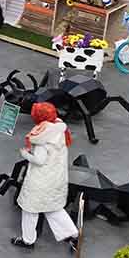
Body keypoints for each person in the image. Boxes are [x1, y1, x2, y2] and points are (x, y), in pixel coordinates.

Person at [10, 102, 79, 250]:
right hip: (56, 178)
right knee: (53, 208)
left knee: (30, 210)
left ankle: (28, 240)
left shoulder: (42, 139)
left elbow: (39, 160)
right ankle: (73, 235)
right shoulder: (59, 130)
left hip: (40, 181)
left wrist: (25, 154)